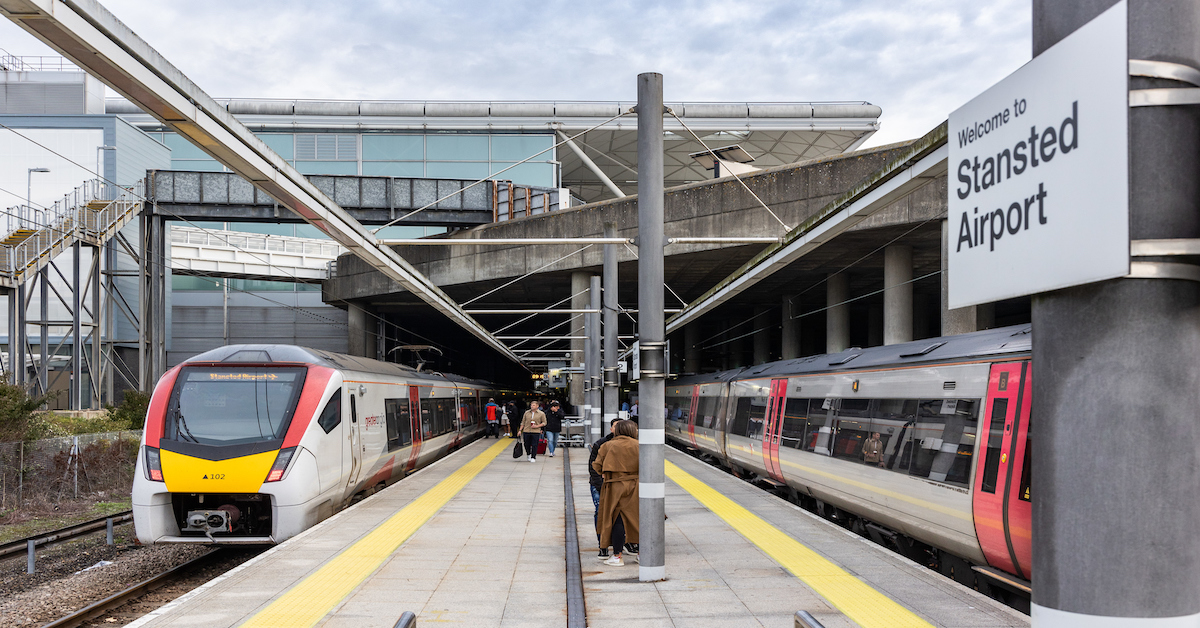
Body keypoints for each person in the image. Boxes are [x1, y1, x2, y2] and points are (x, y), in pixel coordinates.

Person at [593, 420, 640, 566]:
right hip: (636, 485)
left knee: (617, 520)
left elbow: (597, 466)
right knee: (638, 519)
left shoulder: (607, 445)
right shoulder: (640, 445)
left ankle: (617, 556)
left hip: (615, 486)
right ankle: (642, 554)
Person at [589, 416, 621, 559]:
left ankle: (621, 543)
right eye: (616, 426)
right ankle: (602, 545)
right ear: (611, 428)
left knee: (620, 514)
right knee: (600, 512)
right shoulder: (601, 444)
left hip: (620, 486)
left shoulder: (632, 444)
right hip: (600, 485)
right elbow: (593, 468)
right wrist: (601, 486)